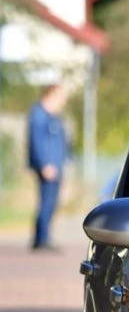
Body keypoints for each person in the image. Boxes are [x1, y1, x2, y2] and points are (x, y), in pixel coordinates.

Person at [27, 83, 69, 251]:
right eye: (61, 97)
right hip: (48, 167)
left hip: (55, 166)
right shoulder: (39, 115)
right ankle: (42, 239)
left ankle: (41, 237)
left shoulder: (53, 116)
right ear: (50, 95)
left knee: (50, 202)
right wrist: (45, 164)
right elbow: (37, 142)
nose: (63, 101)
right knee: (47, 202)